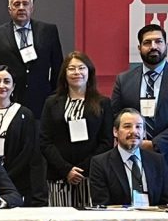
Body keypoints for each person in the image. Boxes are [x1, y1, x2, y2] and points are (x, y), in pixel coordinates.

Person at [110, 23, 168, 199]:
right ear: (139, 48)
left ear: (166, 45)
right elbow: (115, 117)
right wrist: (134, 140)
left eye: (158, 41)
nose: (153, 46)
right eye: (147, 42)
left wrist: (154, 144)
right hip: (131, 158)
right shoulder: (123, 80)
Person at [39, 51, 113, 208]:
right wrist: (66, 170)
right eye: (71, 68)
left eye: (81, 68)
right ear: (64, 74)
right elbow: (45, 141)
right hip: (59, 176)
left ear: (89, 72)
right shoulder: (51, 103)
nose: (76, 72)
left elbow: (106, 142)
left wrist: (81, 170)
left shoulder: (103, 103)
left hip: (91, 176)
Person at [0, 0, 63, 119]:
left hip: (42, 101)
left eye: (25, 4)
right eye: (16, 4)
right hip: (8, 101)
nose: (21, 8)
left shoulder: (48, 31)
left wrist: (56, 99)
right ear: (9, 9)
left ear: (32, 8)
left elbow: (58, 67)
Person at [0, 65, 47, 206]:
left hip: (17, 182)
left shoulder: (24, 114)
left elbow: (29, 151)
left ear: (13, 86)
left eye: (7, 81)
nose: (2, 86)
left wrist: (5, 175)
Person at [88, 108, 168, 206]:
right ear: (115, 131)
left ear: (144, 133)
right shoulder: (100, 163)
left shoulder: (158, 161)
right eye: (127, 126)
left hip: (153, 215)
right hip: (117, 216)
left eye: (138, 127)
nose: (134, 131)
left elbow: (165, 203)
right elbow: (102, 205)